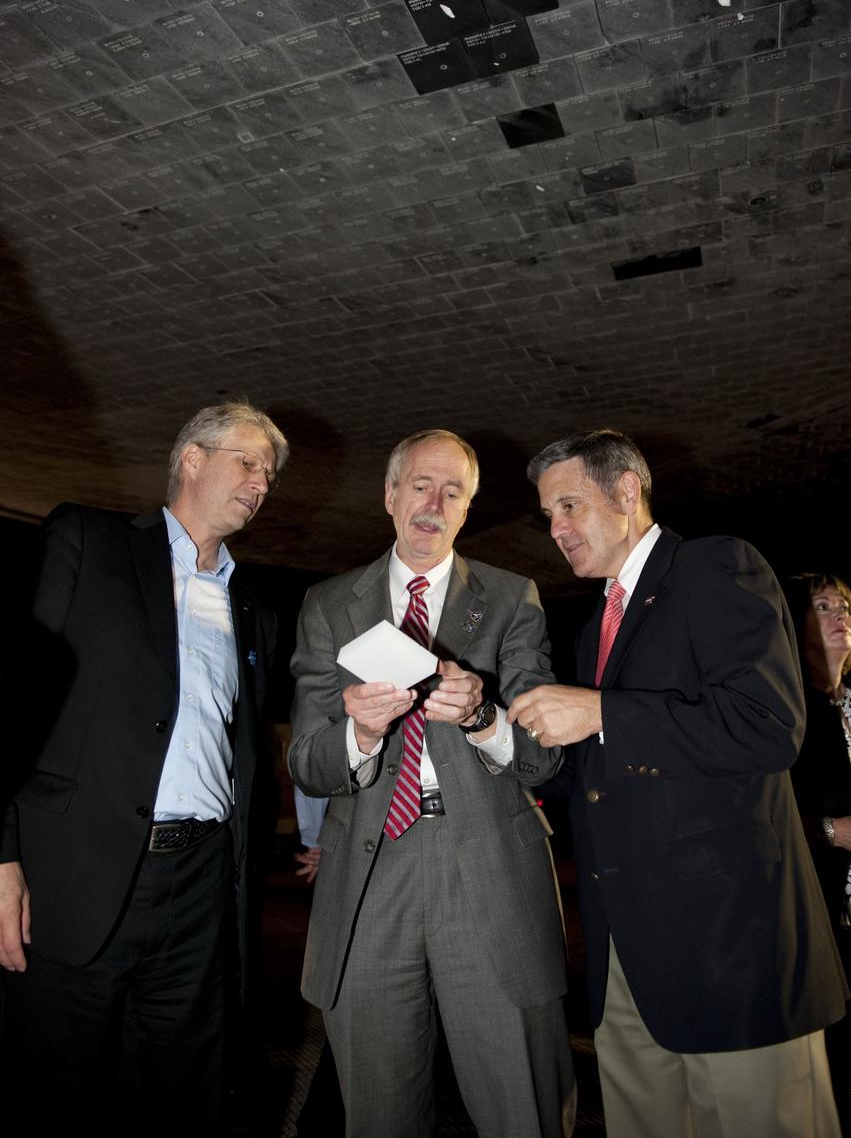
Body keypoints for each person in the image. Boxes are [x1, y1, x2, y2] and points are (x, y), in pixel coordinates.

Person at [509, 427, 847, 1138]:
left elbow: (766, 726)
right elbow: (603, 776)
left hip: (731, 950)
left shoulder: (716, 566)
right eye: (548, 515)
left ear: (626, 491)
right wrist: (486, 725)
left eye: (568, 506)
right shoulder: (594, 625)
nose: (556, 529)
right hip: (627, 956)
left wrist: (602, 709)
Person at [0, 401, 287, 1137]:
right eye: (247, 462)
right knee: (53, 1086)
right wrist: (2, 856)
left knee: (182, 1088)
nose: (262, 482)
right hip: (77, 873)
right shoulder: (89, 542)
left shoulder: (251, 608)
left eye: (270, 473)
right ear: (191, 458)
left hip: (200, 887)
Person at [288, 428, 575, 1138]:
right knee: (379, 1110)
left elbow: (544, 760)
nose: (434, 502)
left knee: (521, 1105)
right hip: (369, 870)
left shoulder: (512, 599)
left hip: (486, 864)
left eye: (454, 491)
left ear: (467, 510)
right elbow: (305, 759)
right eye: (420, 484)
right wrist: (357, 735)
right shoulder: (328, 605)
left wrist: (482, 716)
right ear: (389, 496)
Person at [787, 572, 851, 1132]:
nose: (840, 616)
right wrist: (831, 831)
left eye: (845, 607)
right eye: (823, 606)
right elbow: (768, 817)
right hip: (819, 911)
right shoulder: (792, 712)